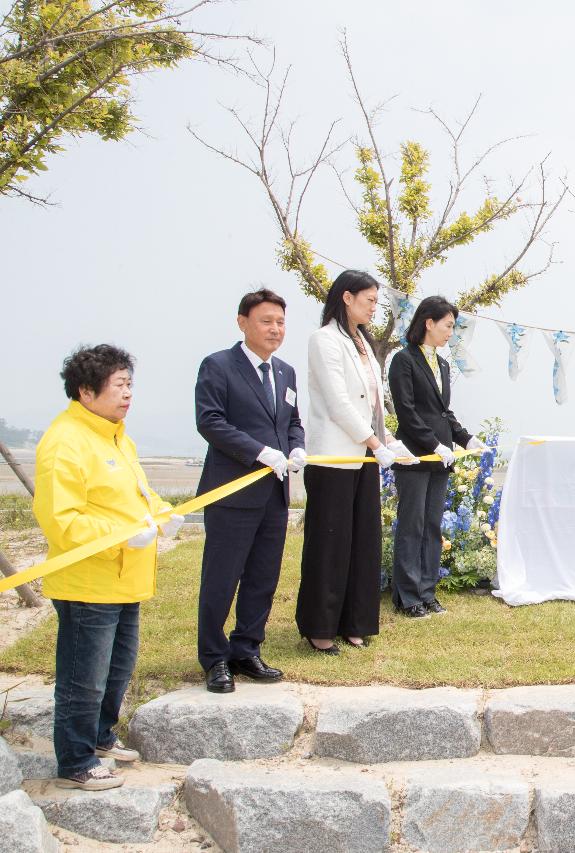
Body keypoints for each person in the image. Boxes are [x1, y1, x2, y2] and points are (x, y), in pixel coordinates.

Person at [33, 345, 182, 790]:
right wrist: (120, 535)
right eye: (119, 385)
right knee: (84, 677)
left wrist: (164, 512)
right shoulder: (65, 442)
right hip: (88, 584)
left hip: (124, 579)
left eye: (129, 384)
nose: (127, 394)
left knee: (117, 670)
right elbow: (62, 519)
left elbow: (136, 496)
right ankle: (75, 761)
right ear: (85, 390)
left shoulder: (116, 435)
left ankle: (99, 738)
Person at [297, 270, 418, 653]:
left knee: (362, 543)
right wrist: (371, 441)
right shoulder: (325, 340)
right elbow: (338, 403)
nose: (374, 307)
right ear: (346, 298)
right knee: (330, 544)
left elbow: (372, 402)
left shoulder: (363, 341)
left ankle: (355, 621)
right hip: (334, 456)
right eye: (368, 300)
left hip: (365, 456)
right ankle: (319, 627)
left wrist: (387, 441)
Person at [194, 289, 306, 693]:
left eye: (280, 322)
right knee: (222, 577)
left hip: (274, 494)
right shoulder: (219, 366)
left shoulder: (286, 372)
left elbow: (292, 421)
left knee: (263, 577)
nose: (275, 329)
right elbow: (210, 422)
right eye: (266, 321)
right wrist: (260, 452)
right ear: (243, 322)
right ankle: (213, 657)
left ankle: (247, 648)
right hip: (231, 492)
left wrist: (296, 446)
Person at [387, 295, 486, 618]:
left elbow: (442, 412)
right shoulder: (404, 360)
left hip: (441, 459)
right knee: (411, 525)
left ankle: (428, 591)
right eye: (447, 326)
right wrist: (433, 445)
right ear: (428, 322)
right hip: (415, 456)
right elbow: (408, 412)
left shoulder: (442, 364)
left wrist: (464, 437)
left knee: (432, 526)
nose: (450, 333)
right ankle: (407, 595)